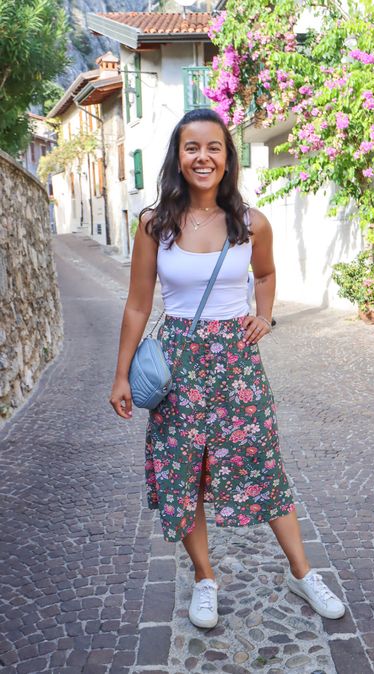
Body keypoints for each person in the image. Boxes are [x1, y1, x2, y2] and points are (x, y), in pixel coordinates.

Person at [109, 108, 345, 629]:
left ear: (227, 157)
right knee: (186, 473)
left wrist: (264, 315)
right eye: (192, 147)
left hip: (238, 366)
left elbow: (266, 273)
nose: (203, 157)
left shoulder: (250, 223)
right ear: (177, 157)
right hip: (178, 367)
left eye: (213, 147)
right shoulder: (154, 225)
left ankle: (302, 573)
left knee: (264, 465)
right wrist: (122, 373)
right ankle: (204, 579)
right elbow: (136, 305)